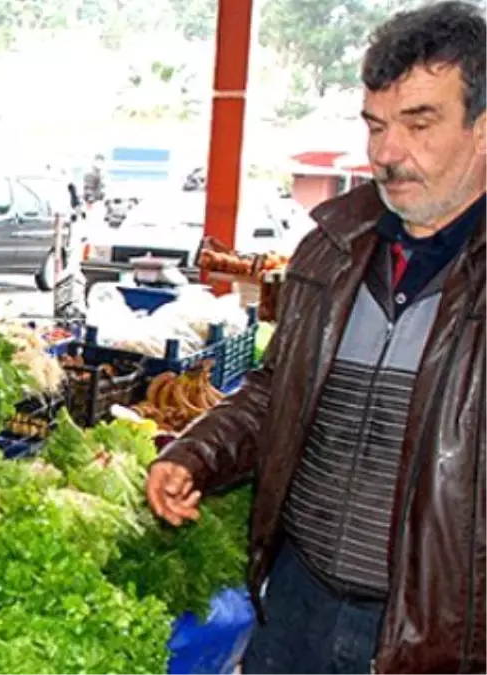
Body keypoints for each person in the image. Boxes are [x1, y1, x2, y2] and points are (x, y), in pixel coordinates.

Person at [144, 3, 487, 672]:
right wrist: (195, 454)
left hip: (426, 629)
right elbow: (279, 390)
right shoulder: (333, 246)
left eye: (419, 123)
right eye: (376, 126)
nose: (387, 153)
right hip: (297, 598)